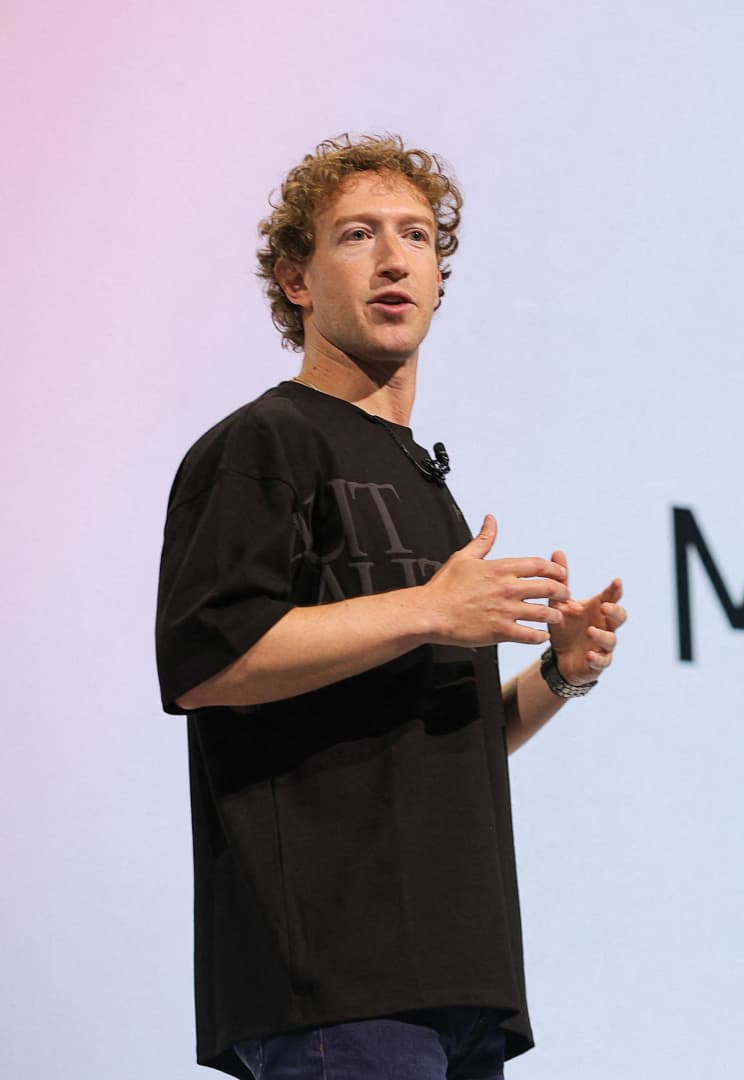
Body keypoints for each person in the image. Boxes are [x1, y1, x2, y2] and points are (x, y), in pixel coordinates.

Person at [153, 133, 625, 1080]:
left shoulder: (423, 481)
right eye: (358, 234)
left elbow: (443, 736)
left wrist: (559, 675)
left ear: (441, 282)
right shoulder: (262, 444)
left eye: (415, 236)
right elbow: (209, 661)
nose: (395, 258)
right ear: (296, 280)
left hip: (461, 986)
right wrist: (429, 611)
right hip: (334, 982)